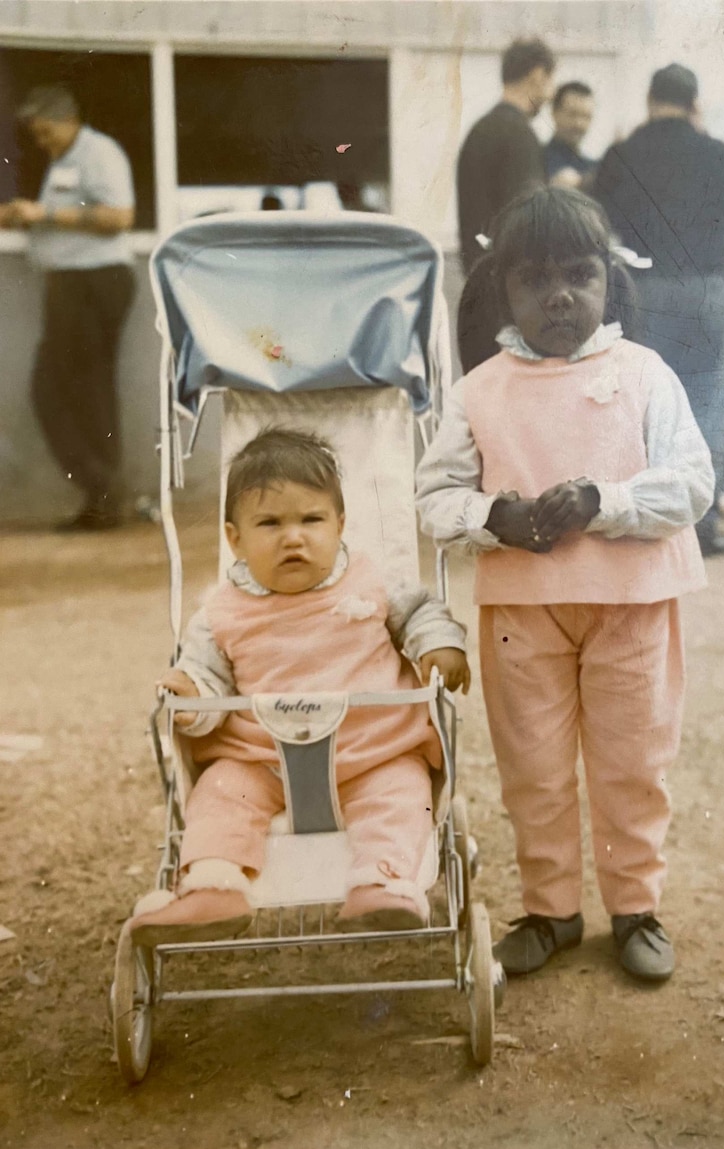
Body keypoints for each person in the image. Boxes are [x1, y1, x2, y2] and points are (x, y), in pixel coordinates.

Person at [416, 187, 714, 983]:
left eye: (580, 274)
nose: (559, 295)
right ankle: (550, 908)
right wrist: (495, 515)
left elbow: (692, 483)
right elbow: (434, 496)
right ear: (501, 288)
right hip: (523, 610)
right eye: (535, 278)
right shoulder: (480, 389)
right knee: (534, 765)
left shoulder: (645, 374)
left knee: (633, 760)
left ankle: (635, 906)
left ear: (609, 281)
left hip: (633, 606)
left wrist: (604, 501)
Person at [128, 429, 470, 946]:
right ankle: (215, 883)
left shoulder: (371, 580)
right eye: (270, 523)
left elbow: (422, 613)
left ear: (340, 525)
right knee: (221, 792)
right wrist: (192, 700)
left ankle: (382, 882)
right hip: (263, 756)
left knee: (403, 793)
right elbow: (206, 677)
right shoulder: (221, 611)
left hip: (374, 748)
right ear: (234, 539)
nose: (293, 537)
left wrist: (437, 646)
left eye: (311, 520)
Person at [592, 64, 724, 557]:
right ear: (693, 101)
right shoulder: (719, 154)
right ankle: (707, 520)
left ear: (650, 98)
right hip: (707, 289)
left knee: (644, 403)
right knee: (709, 404)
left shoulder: (622, 153)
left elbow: (603, 216)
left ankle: (646, 517)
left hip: (645, 290)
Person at [0, 85, 136, 531]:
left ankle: (106, 492)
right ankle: (103, 497)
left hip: (93, 282)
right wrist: (21, 215)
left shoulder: (99, 153)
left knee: (60, 391)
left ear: (67, 119)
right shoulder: (66, 161)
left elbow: (119, 217)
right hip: (73, 285)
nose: (42, 143)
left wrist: (45, 216)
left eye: (46, 133)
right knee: (82, 392)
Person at [456, 38, 555, 275]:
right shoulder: (520, 134)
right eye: (551, 80)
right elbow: (529, 220)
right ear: (538, 75)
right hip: (511, 281)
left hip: (479, 275)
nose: (551, 94)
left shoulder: (480, 129)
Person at [544, 81, 597, 189]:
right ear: (554, 113)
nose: (579, 124)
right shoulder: (535, 161)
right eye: (572, 114)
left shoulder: (594, 168)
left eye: (586, 117)